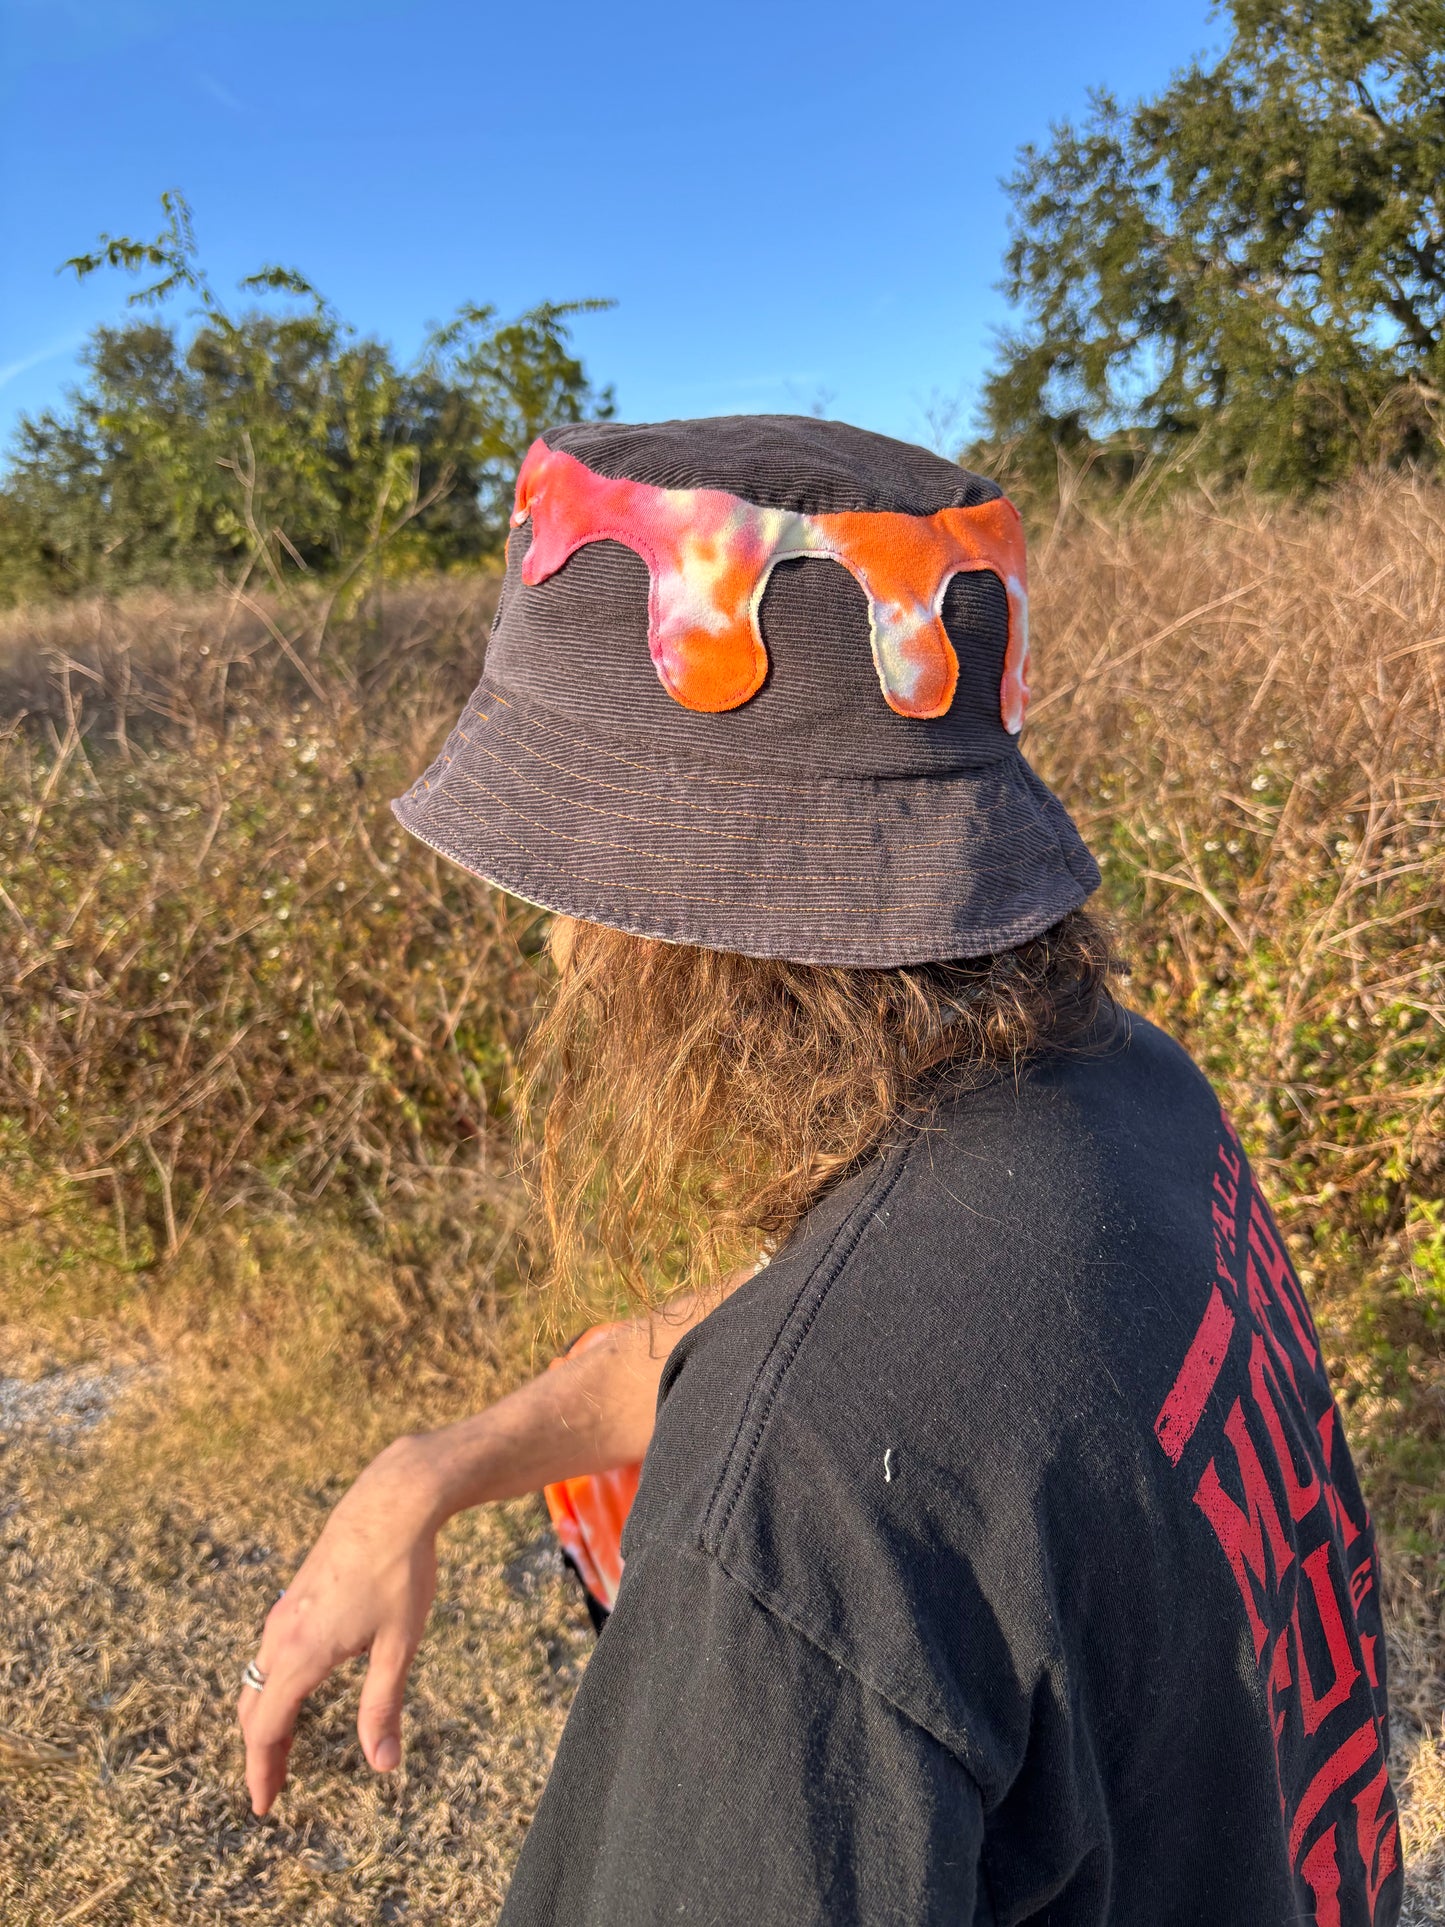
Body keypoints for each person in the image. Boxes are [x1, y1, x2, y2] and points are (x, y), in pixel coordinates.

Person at [236, 416, 1401, 1925]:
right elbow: (821, 1330)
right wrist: (435, 1468)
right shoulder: (1124, 1098)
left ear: (675, 916)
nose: (549, 942)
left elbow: (829, 1379)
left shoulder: (794, 1504)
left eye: (559, 876)